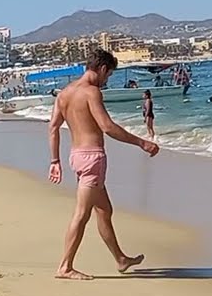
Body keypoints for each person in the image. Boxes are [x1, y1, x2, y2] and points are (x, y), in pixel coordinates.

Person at [48, 49, 159, 280]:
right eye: (108, 76)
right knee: (81, 214)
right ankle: (65, 267)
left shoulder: (65, 93)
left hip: (76, 156)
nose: (106, 80)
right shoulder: (91, 92)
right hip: (92, 159)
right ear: (102, 69)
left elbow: (53, 127)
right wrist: (142, 143)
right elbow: (107, 127)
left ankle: (120, 259)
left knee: (104, 210)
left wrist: (55, 160)